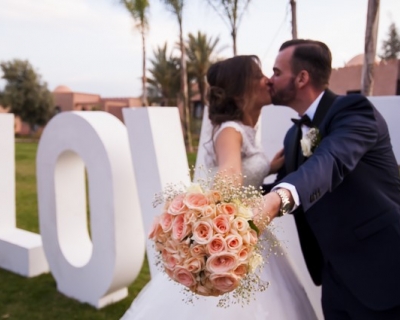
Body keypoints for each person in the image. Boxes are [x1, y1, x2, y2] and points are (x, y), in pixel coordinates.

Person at [120, 55, 318, 320]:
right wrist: (222, 219)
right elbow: (229, 173)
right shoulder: (230, 130)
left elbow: (240, 170)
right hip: (238, 231)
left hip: (248, 231)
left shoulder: (242, 130)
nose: (267, 79)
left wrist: (266, 167)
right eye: (259, 74)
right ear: (242, 88)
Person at [258, 39, 400, 319]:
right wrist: (225, 203)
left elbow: (330, 161)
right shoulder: (293, 136)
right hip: (334, 278)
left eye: (276, 72)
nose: (270, 80)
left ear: (301, 78)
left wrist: (277, 201)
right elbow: (288, 183)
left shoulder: (354, 111)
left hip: (383, 270)